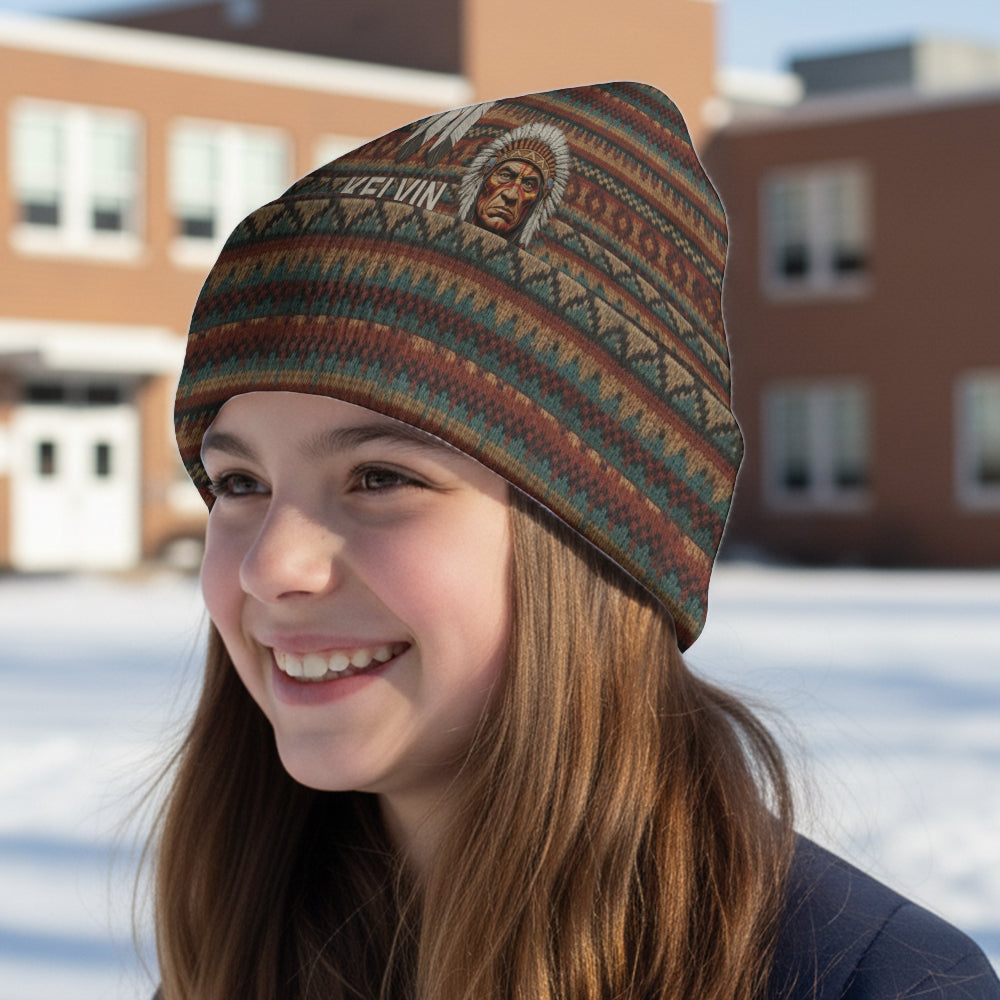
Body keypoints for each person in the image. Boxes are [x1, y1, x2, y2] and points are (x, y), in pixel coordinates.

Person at [158, 82, 999, 1000]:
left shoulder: (875, 985)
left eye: (381, 478)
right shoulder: (244, 951)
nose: (272, 565)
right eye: (239, 483)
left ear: (598, 537)